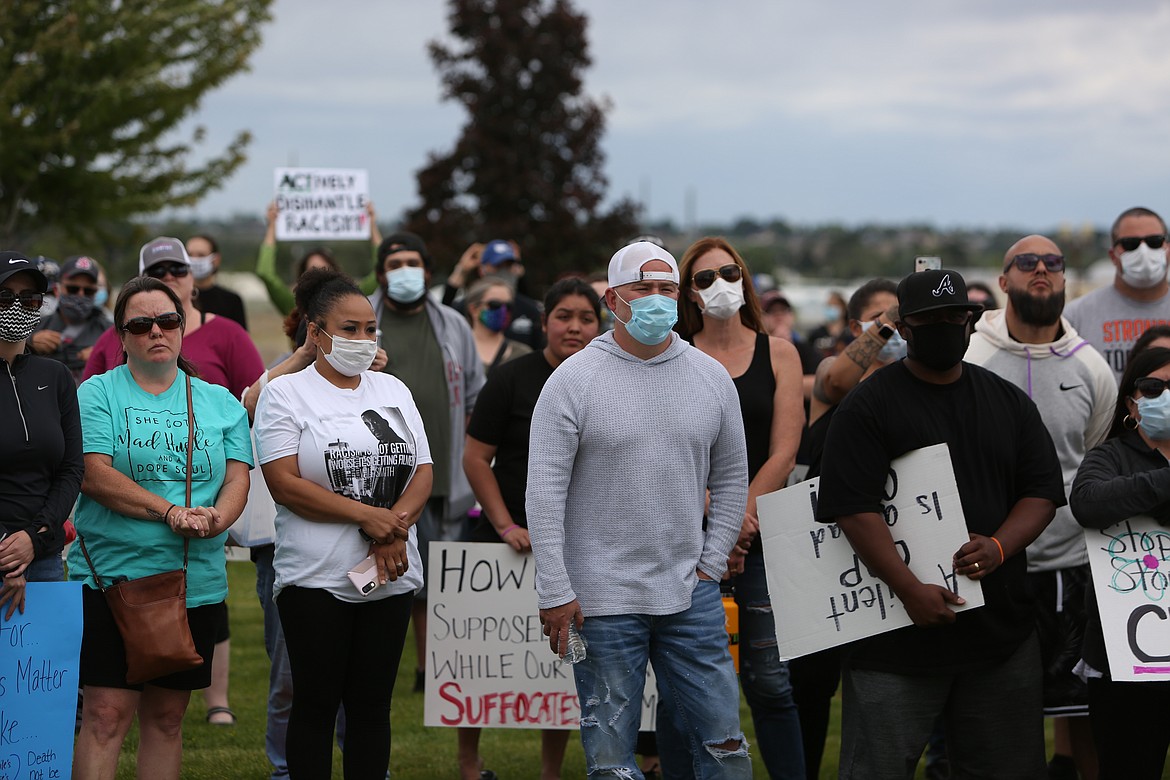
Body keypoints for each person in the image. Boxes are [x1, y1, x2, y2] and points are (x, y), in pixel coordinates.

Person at [814, 268, 1066, 779]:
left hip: (999, 636)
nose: (947, 326)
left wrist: (998, 546)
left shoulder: (1009, 401)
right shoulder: (867, 406)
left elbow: (1040, 492)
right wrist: (908, 588)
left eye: (958, 316)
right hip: (892, 640)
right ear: (904, 327)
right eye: (931, 319)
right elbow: (852, 507)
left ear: (973, 323)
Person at [528, 241, 752, 779]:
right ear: (613, 299)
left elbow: (731, 477)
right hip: (602, 600)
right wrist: (556, 589)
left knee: (724, 745)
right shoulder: (572, 381)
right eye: (643, 289)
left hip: (689, 593)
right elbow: (544, 491)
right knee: (610, 761)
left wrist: (712, 563)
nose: (657, 300)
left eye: (667, 289)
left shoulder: (711, 378)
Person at [68, 276, 252, 780]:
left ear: (183, 326)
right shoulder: (97, 393)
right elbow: (94, 474)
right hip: (111, 579)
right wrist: (169, 512)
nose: (157, 331)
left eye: (168, 320)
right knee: (106, 715)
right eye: (141, 323)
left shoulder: (221, 403)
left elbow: (238, 477)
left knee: (168, 718)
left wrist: (220, 517)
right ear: (121, 336)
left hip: (194, 583)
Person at [255, 268, 431, 780]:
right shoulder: (286, 394)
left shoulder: (392, 389)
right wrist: (368, 519)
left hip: (391, 572)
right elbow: (284, 483)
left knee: (372, 707)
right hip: (315, 578)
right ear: (315, 332)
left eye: (370, 329)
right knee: (315, 704)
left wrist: (392, 531)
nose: (362, 339)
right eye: (348, 329)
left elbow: (423, 469)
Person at [965, 235, 1115, 779]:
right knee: (999, 715)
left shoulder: (1092, 368)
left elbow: (1093, 456)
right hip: (991, 562)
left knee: (1086, 711)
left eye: (1053, 263)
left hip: (1072, 564)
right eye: (1026, 263)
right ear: (1003, 280)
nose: (1041, 271)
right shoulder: (971, 356)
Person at [458, 278, 601, 780]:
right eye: (564, 316)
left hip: (577, 546)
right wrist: (504, 524)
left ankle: (551, 771)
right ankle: (469, 763)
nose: (575, 327)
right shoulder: (512, 378)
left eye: (586, 318)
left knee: (558, 663)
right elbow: (475, 458)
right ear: (544, 322)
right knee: (481, 656)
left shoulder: (610, 379)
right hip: (505, 542)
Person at [674, 237, 805, 780]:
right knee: (685, 681)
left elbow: (784, 450)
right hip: (685, 531)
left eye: (728, 272)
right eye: (704, 278)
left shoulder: (780, 352)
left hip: (761, 533)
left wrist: (738, 521)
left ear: (745, 278)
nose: (719, 285)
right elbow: (665, 445)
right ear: (689, 293)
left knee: (771, 681)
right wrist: (719, 516)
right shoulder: (673, 351)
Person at [790, 277, 901, 780]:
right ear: (857, 327)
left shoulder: (914, 383)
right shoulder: (834, 375)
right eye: (882, 318)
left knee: (883, 681)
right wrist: (881, 332)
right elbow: (835, 383)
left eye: (901, 319)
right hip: (822, 554)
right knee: (811, 686)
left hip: (887, 551)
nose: (896, 327)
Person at [369, 231, 484, 692]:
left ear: (429, 272)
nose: (405, 272)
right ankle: (379, 667)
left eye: (413, 263)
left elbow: (474, 391)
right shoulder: (364, 319)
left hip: (437, 475)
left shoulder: (453, 324)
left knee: (434, 582)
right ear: (380, 275)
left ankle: (429, 670)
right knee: (379, 579)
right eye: (395, 264)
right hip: (374, 477)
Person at [1070, 345, 1170, 778]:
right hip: (1127, 662)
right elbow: (1088, 503)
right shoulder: (1108, 457)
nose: (1166, 394)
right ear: (1132, 399)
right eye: (1154, 386)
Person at [0, 252, 83, 618]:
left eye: (29, 299)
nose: (17, 306)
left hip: (44, 558)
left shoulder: (56, 376)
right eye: (5, 296)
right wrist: (8, 552)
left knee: (40, 674)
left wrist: (33, 540)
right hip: (9, 553)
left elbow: (71, 469)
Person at [1065, 206, 1170, 381]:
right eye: (1130, 244)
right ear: (1113, 256)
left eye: (1154, 242)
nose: (1143, 252)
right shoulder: (1076, 316)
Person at [255, 200, 382, 317]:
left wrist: (371, 225)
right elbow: (265, 273)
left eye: (324, 270)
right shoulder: (295, 306)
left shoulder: (352, 299)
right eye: (312, 271)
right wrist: (272, 226)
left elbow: (381, 269)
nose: (320, 276)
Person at [442, 239, 543, 349]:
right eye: (498, 266)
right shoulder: (468, 305)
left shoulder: (529, 309)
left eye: (508, 265)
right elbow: (442, 320)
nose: (504, 271)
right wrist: (461, 271)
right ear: (482, 270)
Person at [29, 254, 113, 384]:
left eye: (88, 291)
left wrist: (103, 356)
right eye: (73, 289)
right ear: (58, 289)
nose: (80, 295)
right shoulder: (35, 326)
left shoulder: (109, 331)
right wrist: (30, 344)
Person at [464, 276, 532, 375]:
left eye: (508, 306)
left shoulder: (523, 355)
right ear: (474, 309)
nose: (503, 311)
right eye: (495, 305)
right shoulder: (455, 349)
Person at [186, 234, 248, 329]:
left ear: (216, 259)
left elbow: (241, 339)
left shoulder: (231, 301)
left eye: (201, 255)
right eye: (190, 255)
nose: (194, 260)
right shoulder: (179, 298)